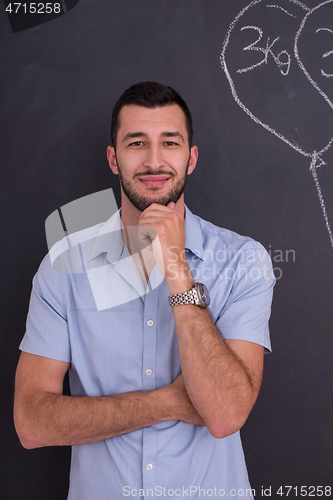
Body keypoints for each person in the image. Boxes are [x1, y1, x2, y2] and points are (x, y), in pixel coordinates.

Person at [14, 81, 275, 499]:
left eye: (169, 142)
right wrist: (169, 402)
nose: (154, 161)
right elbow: (31, 423)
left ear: (190, 158)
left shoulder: (245, 260)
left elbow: (225, 414)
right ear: (113, 159)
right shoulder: (63, 266)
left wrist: (175, 267)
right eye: (136, 143)